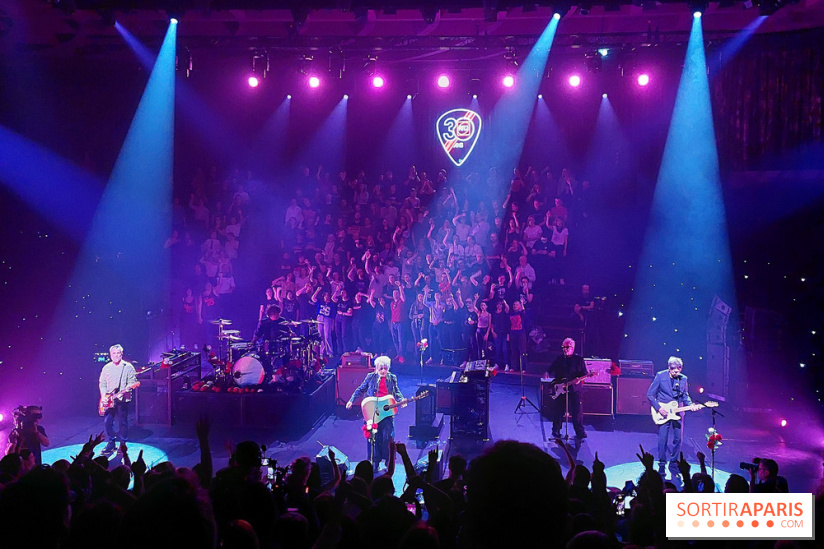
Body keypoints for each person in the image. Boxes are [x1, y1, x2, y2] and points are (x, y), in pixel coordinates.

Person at [345, 356, 405, 469]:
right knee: (374, 437)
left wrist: (401, 400)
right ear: (376, 368)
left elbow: (396, 391)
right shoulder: (371, 377)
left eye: (385, 368)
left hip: (387, 412)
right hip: (373, 411)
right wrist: (351, 400)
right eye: (381, 368)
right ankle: (375, 462)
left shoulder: (392, 378)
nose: (383, 371)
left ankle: (388, 460)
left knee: (387, 437)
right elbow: (360, 389)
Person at [647, 356, 700, 476]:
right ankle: (662, 464)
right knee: (663, 439)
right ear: (669, 367)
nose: (676, 371)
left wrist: (691, 405)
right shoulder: (660, 376)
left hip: (678, 411)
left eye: (679, 369)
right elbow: (650, 394)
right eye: (673, 369)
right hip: (663, 411)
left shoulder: (683, 379)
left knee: (678, 439)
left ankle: (674, 462)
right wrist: (659, 408)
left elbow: (685, 395)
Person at [99, 344, 140, 456]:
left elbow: (133, 382)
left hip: (122, 400)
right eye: (114, 353)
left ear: (121, 354)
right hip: (109, 400)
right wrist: (104, 396)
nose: (116, 355)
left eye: (118, 353)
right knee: (107, 422)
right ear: (110, 355)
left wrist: (127, 389)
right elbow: (102, 383)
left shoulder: (128, 367)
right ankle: (111, 443)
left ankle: (123, 444)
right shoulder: (106, 367)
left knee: (123, 422)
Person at [546, 337, 587, 440]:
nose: (565, 349)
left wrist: (579, 380)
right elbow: (551, 368)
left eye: (567, 347)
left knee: (577, 412)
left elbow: (584, 374)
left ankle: (580, 432)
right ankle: (556, 430)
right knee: (558, 411)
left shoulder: (579, 360)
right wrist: (547, 372)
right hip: (561, 389)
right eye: (563, 347)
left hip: (574, 389)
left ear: (572, 347)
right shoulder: (560, 359)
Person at [251, 305, 291, 382]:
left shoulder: (282, 321)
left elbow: (288, 331)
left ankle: (284, 374)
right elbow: (258, 334)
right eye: (275, 314)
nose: (277, 315)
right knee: (264, 359)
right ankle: (267, 375)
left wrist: (291, 334)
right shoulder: (264, 322)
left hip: (281, 344)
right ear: (270, 314)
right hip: (267, 344)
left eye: (278, 313)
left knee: (285, 356)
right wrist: (253, 342)